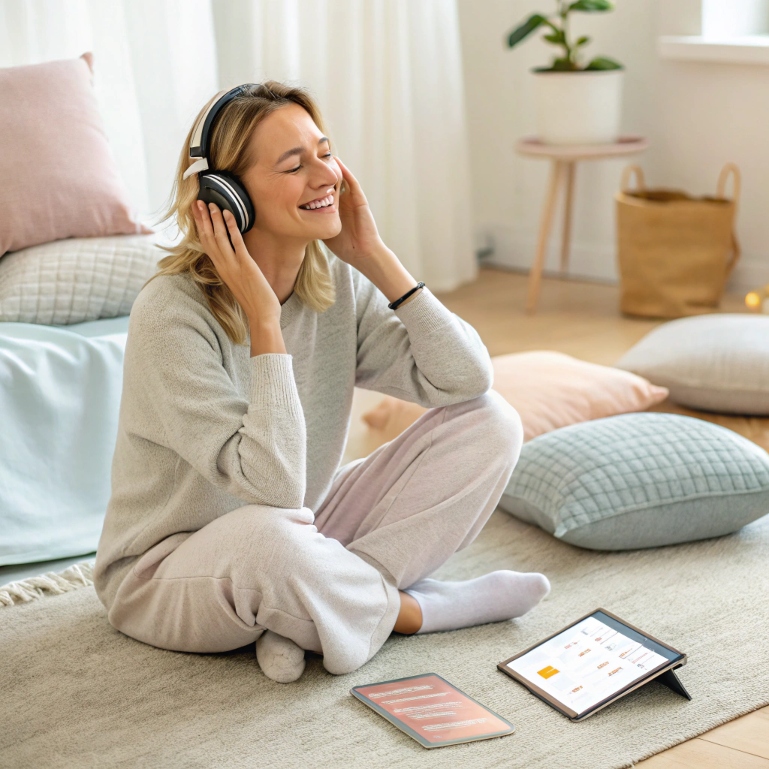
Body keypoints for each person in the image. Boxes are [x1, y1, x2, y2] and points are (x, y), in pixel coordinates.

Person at [93, 81, 550, 683]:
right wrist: (263, 319)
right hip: (168, 572)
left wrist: (374, 255)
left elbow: (464, 380)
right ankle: (414, 611)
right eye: (294, 164)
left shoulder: (333, 282)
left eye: (325, 152)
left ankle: (305, 616)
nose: (325, 175)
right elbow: (274, 487)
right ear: (228, 197)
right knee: (267, 534)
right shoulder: (170, 316)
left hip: (302, 530)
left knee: (492, 420)